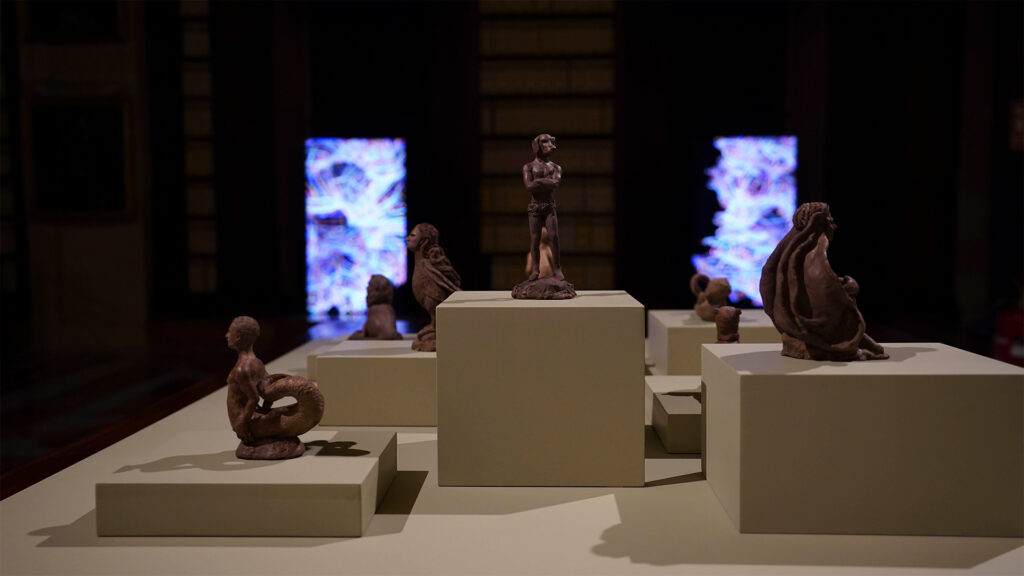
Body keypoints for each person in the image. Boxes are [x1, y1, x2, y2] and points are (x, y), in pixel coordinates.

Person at [523, 134, 564, 281]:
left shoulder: (556, 167)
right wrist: (547, 181)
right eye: (545, 142)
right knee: (535, 239)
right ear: (537, 145)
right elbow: (529, 186)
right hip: (535, 207)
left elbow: (556, 184)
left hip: (549, 206)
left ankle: (557, 269)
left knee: (554, 237)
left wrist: (538, 181)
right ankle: (535, 270)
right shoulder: (528, 167)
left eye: (551, 142)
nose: (550, 145)